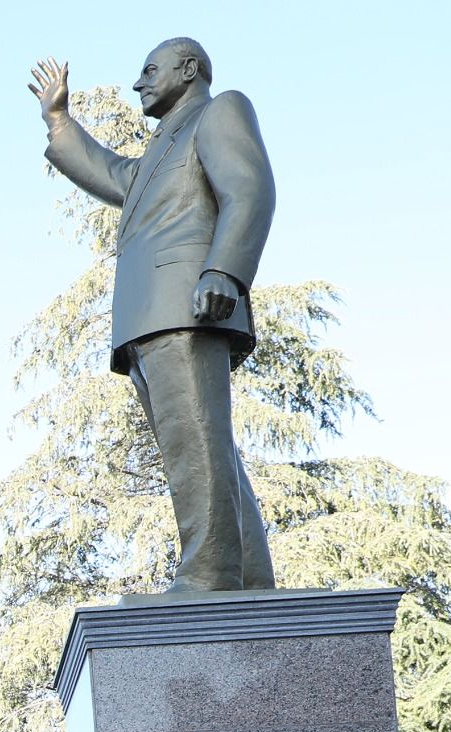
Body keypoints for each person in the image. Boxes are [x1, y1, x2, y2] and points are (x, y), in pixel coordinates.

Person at [30, 40, 276, 593]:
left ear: (189, 70)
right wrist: (59, 120)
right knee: (201, 443)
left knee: (196, 441)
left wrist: (224, 271)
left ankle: (210, 573)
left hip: (187, 304)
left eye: (149, 71)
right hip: (152, 314)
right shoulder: (162, 148)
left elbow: (250, 190)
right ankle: (249, 578)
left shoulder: (221, 110)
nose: (138, 84)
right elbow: (114, 175)